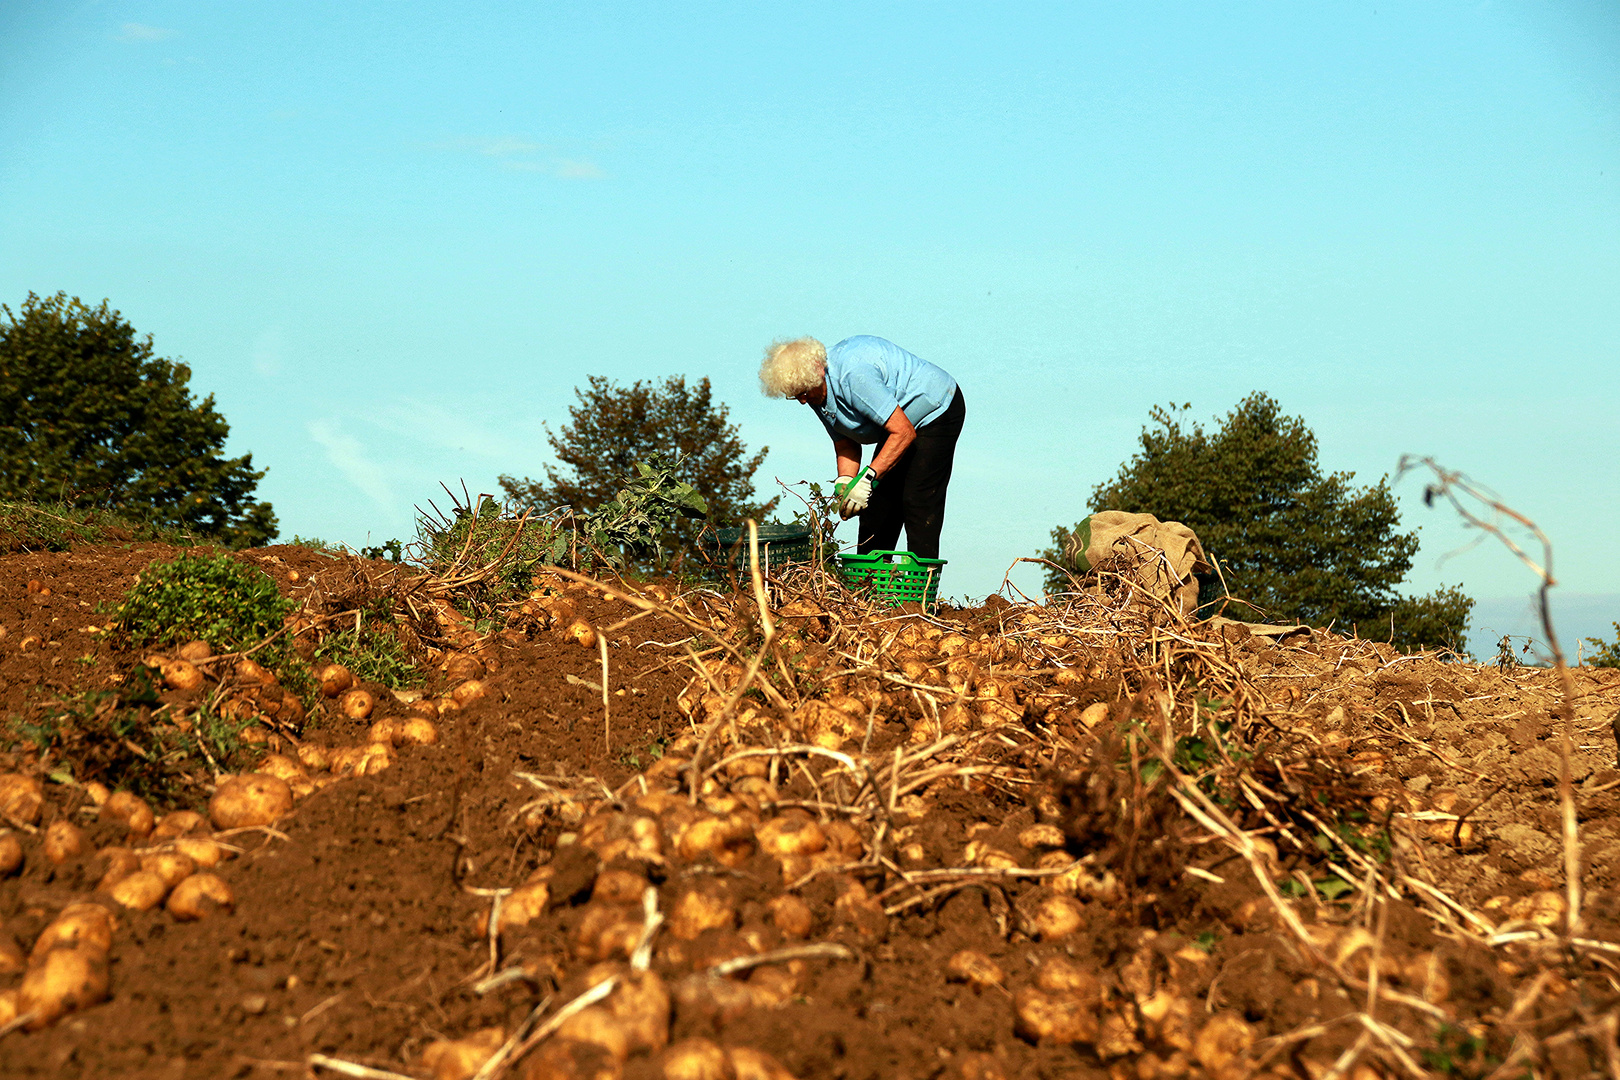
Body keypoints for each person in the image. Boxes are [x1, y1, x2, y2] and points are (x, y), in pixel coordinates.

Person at [759, 335, 965, 559]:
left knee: (917, 500)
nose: (802, 400)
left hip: (935, 408)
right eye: (795, 395)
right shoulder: (813, 391)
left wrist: (867, 479)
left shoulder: (854, 378)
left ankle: (922, 584)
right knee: (876, 506)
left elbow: (903, 432)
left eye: (804, 392)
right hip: (898, 425)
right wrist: (845, 481)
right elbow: (845, 441)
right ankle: (868, 585)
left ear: (818, 372)